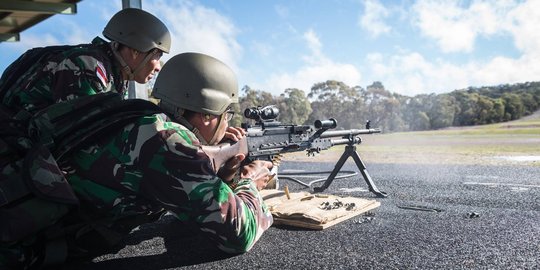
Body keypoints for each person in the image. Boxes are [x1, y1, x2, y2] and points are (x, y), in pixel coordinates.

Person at [0, 52, 274, 269]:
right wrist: (250, 182)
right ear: (206, 114)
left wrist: (224, 176)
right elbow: (237, 234)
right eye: (227, 113)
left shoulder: (136, 118)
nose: (228, 122)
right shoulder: (167, 142)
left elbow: (181, 193)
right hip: (18, 249)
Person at [0, 8, 171, 116]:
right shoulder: (88, 65)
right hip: (15, 152)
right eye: (157, 56)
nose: (157, 67)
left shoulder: (114, 75)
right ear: (136, 50)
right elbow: (83, 132)